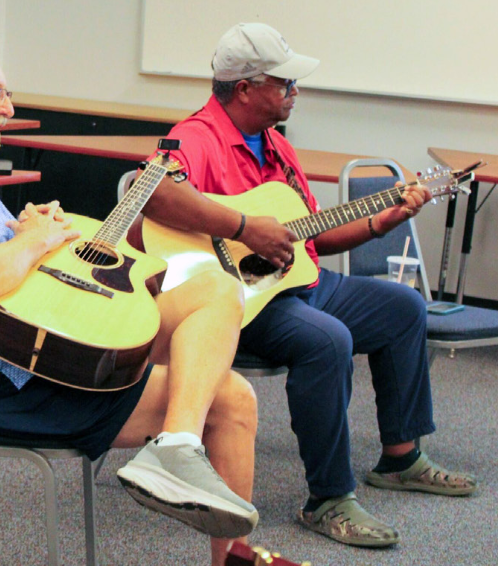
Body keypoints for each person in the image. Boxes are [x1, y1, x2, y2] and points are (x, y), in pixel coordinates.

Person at [0, 38, 260, 565]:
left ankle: (174, 448)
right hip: (15, 382)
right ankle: (207, 508)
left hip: (51, 340)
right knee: (231, 399)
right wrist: (35, 241)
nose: (8, 108)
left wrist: (30, 227)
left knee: (215, 286)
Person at [136, 22, 477, 548]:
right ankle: (328, 499)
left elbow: (309, 233)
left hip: (296, 284)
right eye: (285, 83)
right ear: (245, 88)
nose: (295, 92)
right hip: (237, 304)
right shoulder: (196, 136)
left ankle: (401, 457)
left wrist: (378, 222)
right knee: (327, 340)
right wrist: (245, 227)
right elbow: (148, 192)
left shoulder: (276, 147)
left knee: (404, 306)